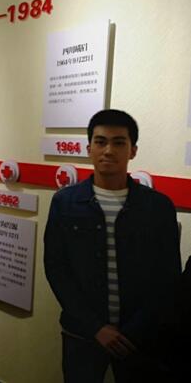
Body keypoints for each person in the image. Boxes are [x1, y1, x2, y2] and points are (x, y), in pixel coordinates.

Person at [44, 109, 182, 383]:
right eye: (100, 142)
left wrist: (136, 329)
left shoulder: (158, 207)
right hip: (82, 333)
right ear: (89, 149)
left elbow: (168, 277)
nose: (108, 150)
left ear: (133, 150)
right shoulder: (65, 202)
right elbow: (56, 269)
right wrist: (96, 327)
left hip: (140, 337)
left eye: (119, 142)